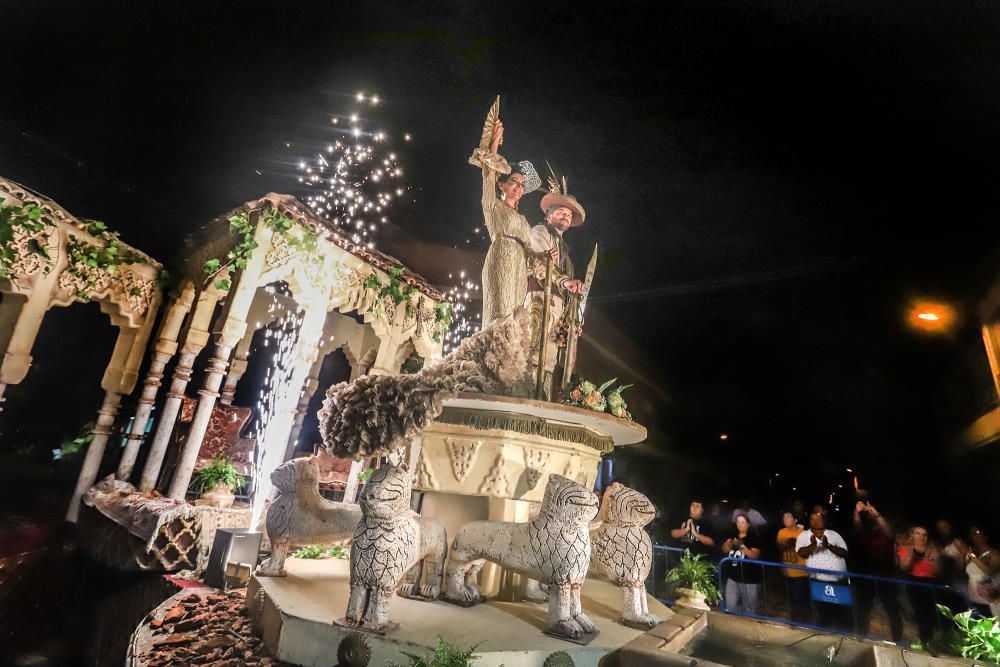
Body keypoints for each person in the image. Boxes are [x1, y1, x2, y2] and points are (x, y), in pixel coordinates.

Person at [469, 115, 542, 326]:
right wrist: (494, 141)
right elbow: (488, 174)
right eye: (514, 182)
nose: (519, 187)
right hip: (500, 258)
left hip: (519, 267)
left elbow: (532, 251)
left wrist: (545, 255)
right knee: (500, 315)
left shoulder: (524, 221)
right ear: (502, 185)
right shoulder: (492, 204)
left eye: (522, 184)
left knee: (515, 317)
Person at [525, 179, 586, 398]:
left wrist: (573, 319)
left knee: (550, 354)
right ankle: (528, 393)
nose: (566, 216)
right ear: (549, 216)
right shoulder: (540, 231)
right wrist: (565, 281)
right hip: (540, 299)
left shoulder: (565, 252)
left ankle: (545, 397)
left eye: (569, 215)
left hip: (559, 306)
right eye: (561, 212)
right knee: (535, 350)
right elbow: (542, 266)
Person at [851, 500, 902, 641]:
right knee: (863, 609)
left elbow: (890, 532)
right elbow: (857, 525)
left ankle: (897, 641)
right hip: (866, 576)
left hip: (886, 576)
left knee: (892, 610)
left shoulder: (885, 533)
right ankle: (862, 637)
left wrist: (877, 514)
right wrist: (857, 510)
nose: (870, 516)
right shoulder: (864, 532)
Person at [797, 511, 851, 630]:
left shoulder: (834, 535)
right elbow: (801, 553)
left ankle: (845, 639)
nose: (816, 521)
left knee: (844, 616)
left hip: (839, 582)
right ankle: (823, 639)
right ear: (809, 521)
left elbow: (844, 552)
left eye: (819, 519)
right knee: (822, 615)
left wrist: (829, 546)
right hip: (818, 582)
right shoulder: (803, 536)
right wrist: (813, 546)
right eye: (813, 519)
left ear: (824, 520)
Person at [898, 525, 943, 643]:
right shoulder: (906, 548)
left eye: (924, 534)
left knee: (931, 614)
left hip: (931, 584)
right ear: (912, 535)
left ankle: (930, 641)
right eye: (918, 533)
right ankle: (924, 640)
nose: (921, 537)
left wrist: (931, 559)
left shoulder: (933, 550)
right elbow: (904, 567)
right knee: (919, 613)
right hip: (913, 582)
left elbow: (939, 571)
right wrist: (912, 554)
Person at [954, 524, 1000, 617]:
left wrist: (971, 555)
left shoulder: (994, 554)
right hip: (973, 599)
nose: (973, 535)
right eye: (971, 533)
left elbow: (989, 571)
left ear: (986, 536)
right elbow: (965, 573)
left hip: (990, 602)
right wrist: (963, 555)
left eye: (977, 532)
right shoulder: (974, 554)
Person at [721, 513, 763, 613]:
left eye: (743, 522)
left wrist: (741, 545)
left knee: (749, 608)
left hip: (749, 579)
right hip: (732, 577)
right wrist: (727, 545)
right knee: (730, 606)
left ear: (748, 524)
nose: (740, 524)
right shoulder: (733, 537)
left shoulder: (754, 538)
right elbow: (724, 550)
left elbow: (754, 556)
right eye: (738, 521)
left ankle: (747, 626)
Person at [776, 510, 810, 623]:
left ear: (795, 520)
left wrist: (792, 541)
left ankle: (802, 622)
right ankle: (794, 620)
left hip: (800, 572)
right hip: (786, 570)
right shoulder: (781, 532)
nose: (785, 518)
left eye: (788, 516)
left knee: (800, 599)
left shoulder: (803, 533)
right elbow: (779, 548)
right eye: (784, 516)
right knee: (790, 599)